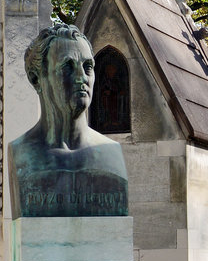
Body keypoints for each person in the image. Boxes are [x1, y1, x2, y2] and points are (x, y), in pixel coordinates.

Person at [8, 22, 129, 218]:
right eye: (68, 67)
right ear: (36, 79)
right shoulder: (21, 154)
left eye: (87, 66)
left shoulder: (111, 154)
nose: (81, 77)